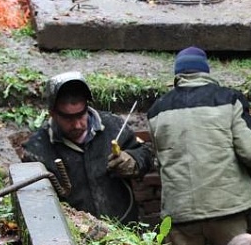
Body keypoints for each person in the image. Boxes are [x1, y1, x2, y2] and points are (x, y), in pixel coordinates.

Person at [147, 46, 251, 245]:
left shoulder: (156, 111)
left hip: (180, 210)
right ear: (205, 71)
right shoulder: (228, 99)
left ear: (178, 74)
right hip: (227, 206)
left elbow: (159, 160)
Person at [21, 71, 154, 224]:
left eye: (80, 115)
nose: (77, 124)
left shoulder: (113, 126)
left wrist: (132, 162)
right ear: (52, 113)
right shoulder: (38, 149)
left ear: (87, 106)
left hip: (126, 229)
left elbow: (145, 155)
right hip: (78, 236)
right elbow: (35, 204)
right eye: (68, 118)